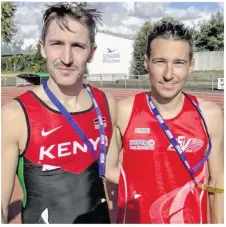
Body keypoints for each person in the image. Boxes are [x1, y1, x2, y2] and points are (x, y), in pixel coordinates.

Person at [1, 2, 118, 224]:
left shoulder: (106, 104)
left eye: (77, 46)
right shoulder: (14, 115)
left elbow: (111, 172)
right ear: (43, 47)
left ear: (92, 52)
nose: (66, 58)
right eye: (56, 44)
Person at [106, 21, 224, 223]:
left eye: (179, 62)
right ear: (146, 62)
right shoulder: (124, 111)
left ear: (191, 65)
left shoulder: (209, 114)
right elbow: (108, 174)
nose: (169, 75)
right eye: (160, 61)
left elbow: (217, 180)